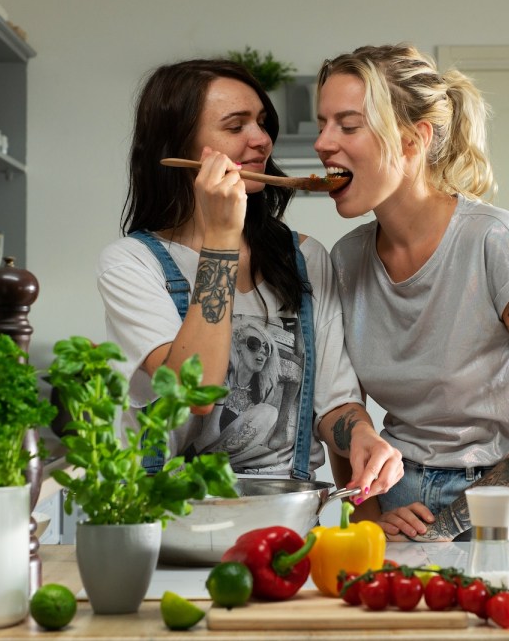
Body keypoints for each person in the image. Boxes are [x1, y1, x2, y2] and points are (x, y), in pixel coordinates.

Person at [314, 44, 509, 542]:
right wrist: (370, 515)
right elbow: (343, 408)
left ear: (412, 140)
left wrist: (451, 524)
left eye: (347, 124)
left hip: (507, 508)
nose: (322, 143)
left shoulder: (496, 242)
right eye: (323, 124)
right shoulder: (345, 260)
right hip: (399, 506)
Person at [97, 58, 402, 497]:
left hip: (287, 515)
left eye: (261, 122)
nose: (261, 140)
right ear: (180, 145)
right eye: (235, 126)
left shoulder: (306, 258)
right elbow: (194, 391)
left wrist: (363, 438)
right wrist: (222, 238)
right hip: (171, 516)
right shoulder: (131, 265)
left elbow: (335, 402)